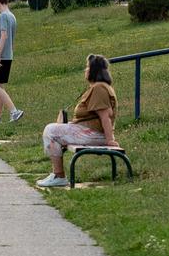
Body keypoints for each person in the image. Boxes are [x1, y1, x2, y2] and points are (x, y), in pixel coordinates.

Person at [36, 54, 119, 188]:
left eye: (88, 67)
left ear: (94, 70)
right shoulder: (98, 87)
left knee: (50, 131)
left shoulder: (99, 88)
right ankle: (57, 174)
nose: (85, 70)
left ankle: (59, 176)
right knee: (53, 129)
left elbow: (105, 116)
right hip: (89, 131)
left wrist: (109, 140)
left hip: (95, 134)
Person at [0, 0, 24, 125]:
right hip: (8, 55)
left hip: (2, 55)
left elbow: (3, 36)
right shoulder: (12, 16)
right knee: (0, 86)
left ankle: (14, 111)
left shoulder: (3, 16)